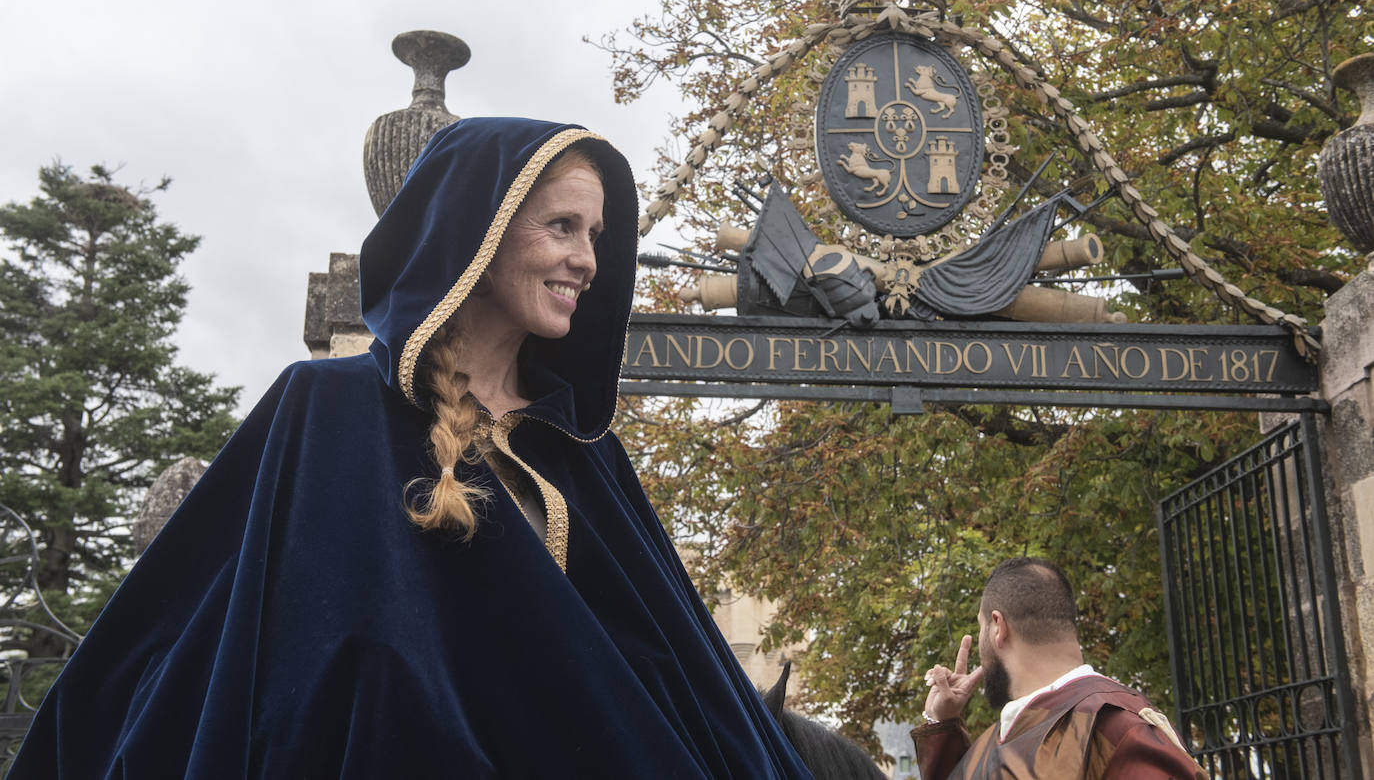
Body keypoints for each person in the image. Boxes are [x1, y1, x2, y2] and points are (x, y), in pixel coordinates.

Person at [10, 118, 814, 778]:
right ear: (480, 232)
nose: (588, 260)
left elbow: (682, 682)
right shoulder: (323, 411)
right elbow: (198, 643)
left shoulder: (582, 454)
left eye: (596, 234)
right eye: (562, 226)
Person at [913, 557, 1206, 780]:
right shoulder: (1005, 735)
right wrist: (942, 724)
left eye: (980, 627)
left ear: (997, 627)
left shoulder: (1114, 726)